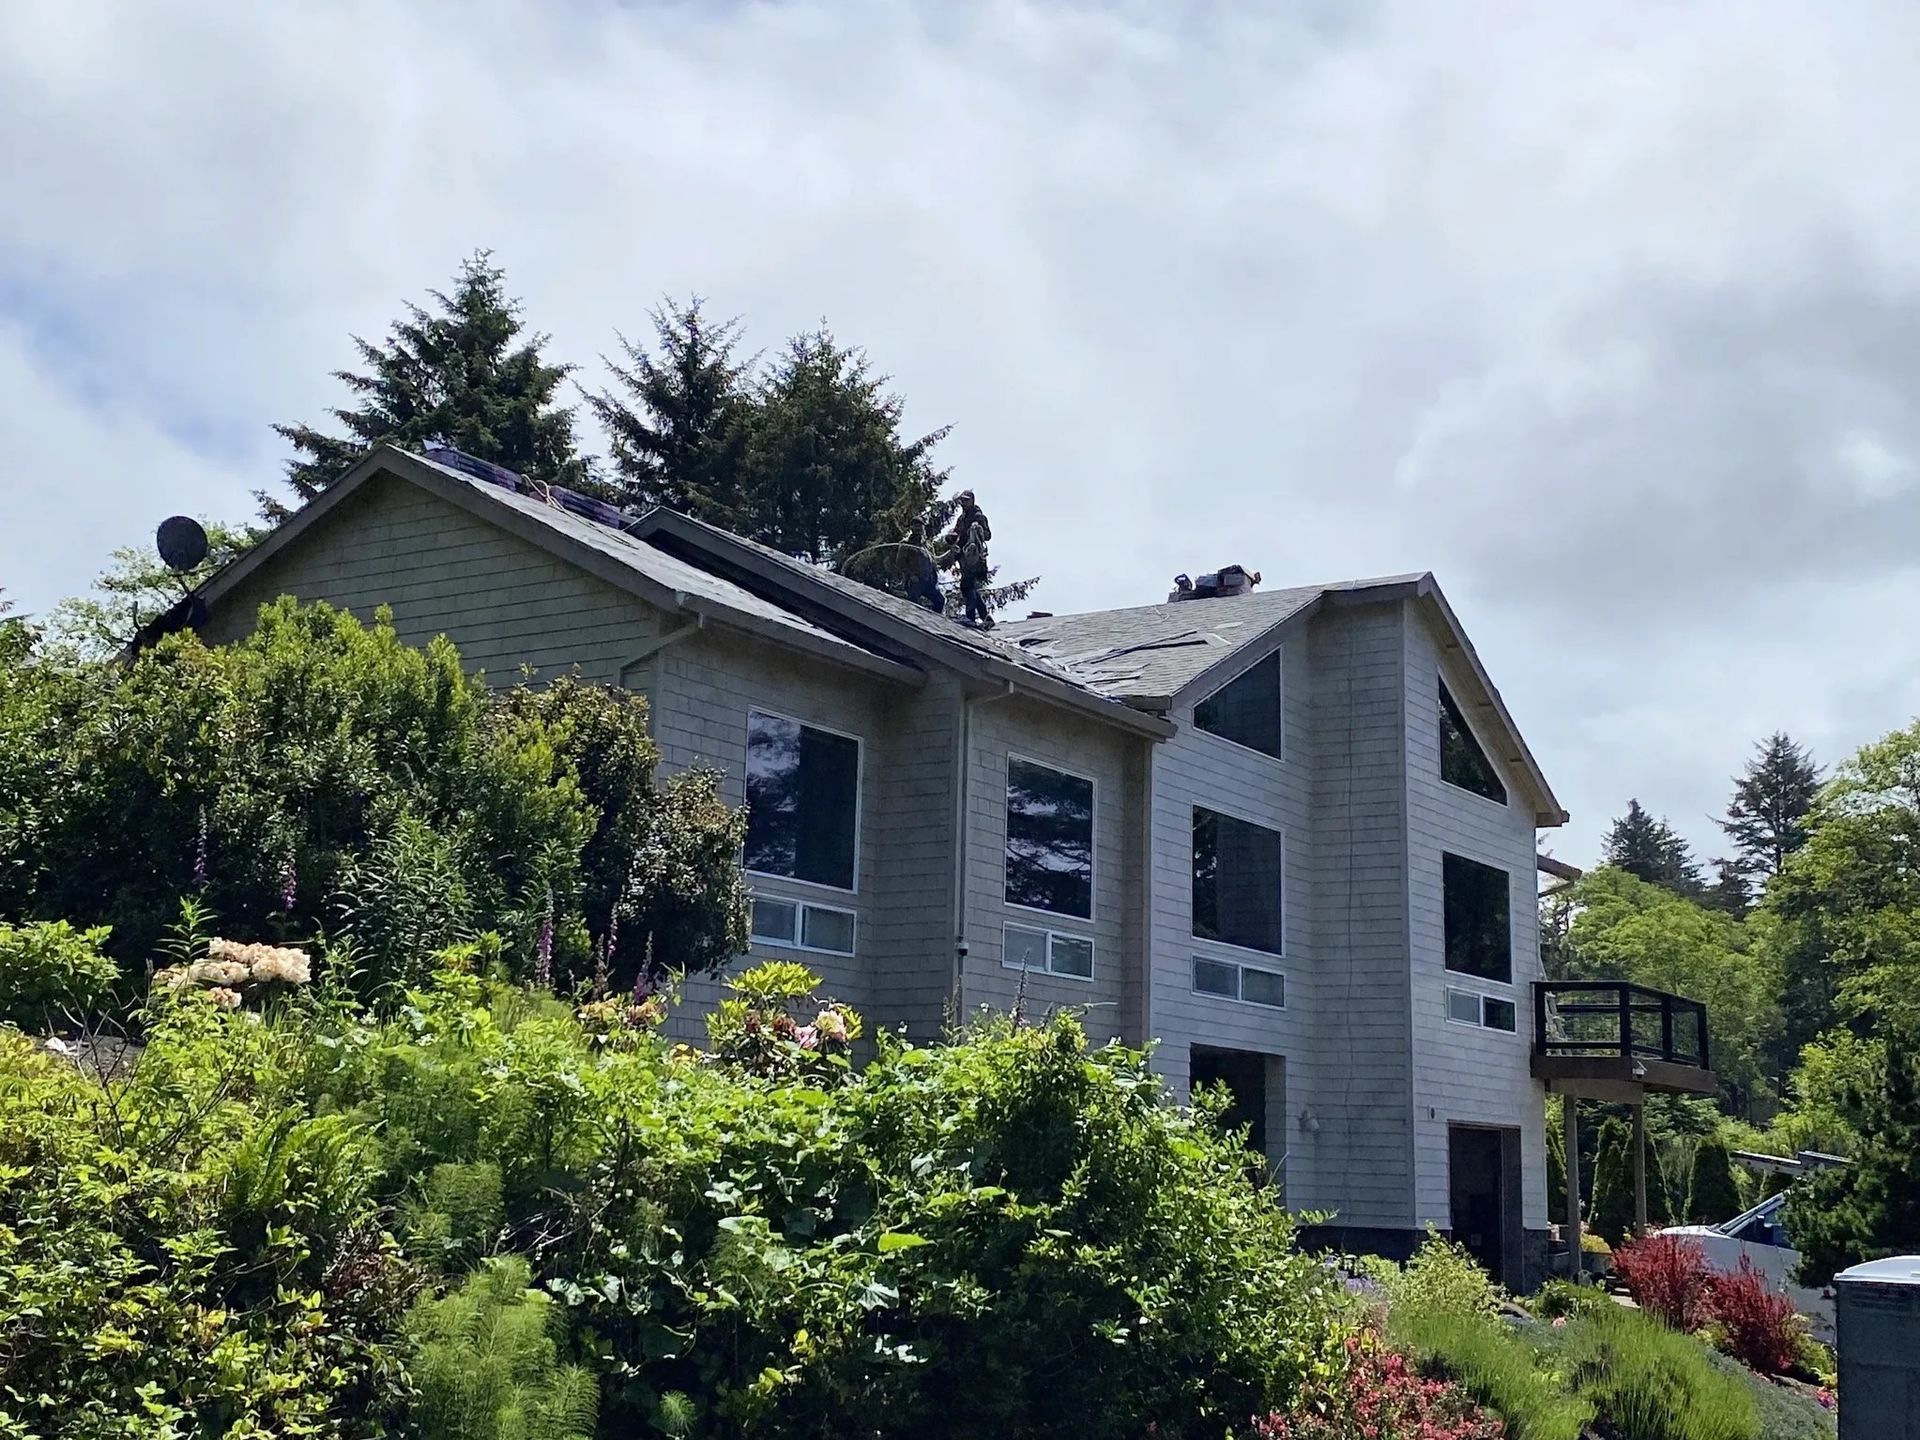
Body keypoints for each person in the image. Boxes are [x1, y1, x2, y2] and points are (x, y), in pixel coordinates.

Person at [943, 491, 994, 628]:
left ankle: (970, 617)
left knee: (966, 586)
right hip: (963, 557)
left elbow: (988, 535)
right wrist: (952, 537)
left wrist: (977, 530)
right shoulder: (962, 519)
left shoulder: (978, 516)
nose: (963, 503)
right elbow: (958, 533)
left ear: (972, 501)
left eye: (966, 500)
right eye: (962, 501)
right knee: (969, 587)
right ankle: (985, 617)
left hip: (974, 557)